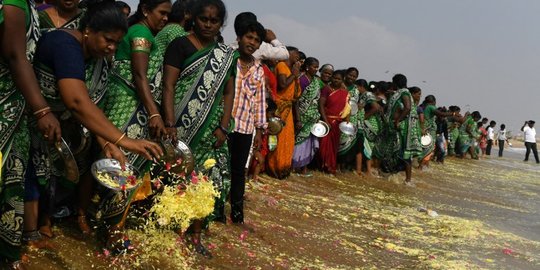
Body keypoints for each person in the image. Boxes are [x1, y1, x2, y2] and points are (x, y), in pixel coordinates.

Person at [25, 0, 162, 250]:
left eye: (115, 44)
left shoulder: (96, 57)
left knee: (52, 176)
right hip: (30, 116)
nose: (111, 48)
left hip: (58, 124)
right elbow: (77, 101)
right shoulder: (66, 45)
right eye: (107, 40)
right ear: (88, 30)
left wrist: (107, 142)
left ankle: (37, 229)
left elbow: (90, 104)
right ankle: (27, 235)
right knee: (31, 177)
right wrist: (124, 140)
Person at [162, 0, 235, 256]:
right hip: (179, 128)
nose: (208, 24)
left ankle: (195, 234)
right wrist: (169, 123)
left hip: (210, 131)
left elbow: (228, 92)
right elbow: (168, 85)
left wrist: (223, 126)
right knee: (174, 178)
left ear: (220, 24)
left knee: (203, 183)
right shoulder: (180, 45)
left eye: (214, 21)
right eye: (204, 19)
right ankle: (171, 229)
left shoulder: (226, 55)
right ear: (194, 18)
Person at [1, 0, 62, 266]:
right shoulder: (13, 3)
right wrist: (42, 111)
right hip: (5, 103)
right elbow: (15, 55)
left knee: (11, 180)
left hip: (15, 104)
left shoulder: (27, 6)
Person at [102, 0, 171, 170]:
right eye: (162, 13)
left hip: (127, 102)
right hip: (126, 105)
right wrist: (154, 114)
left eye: (168, 14)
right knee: (118, 160)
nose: (165, 18)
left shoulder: (140, 31)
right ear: (146, 10)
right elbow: (140, 75)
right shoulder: (141, 33)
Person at [228, 19, 267, 225]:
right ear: (240, 38)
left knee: (238, 171)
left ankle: (236, 214)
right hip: (223, 124)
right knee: (217, 167)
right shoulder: (227, 60)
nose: (251, 42)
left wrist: (259, 132)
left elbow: (260, 102)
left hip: (245, 127)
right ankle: (214, 212)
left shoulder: (259, 70)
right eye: (249, 37)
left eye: (256, 40)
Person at [266, 46, 301, 179]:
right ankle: (275, 167)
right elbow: (282, 84)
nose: (297, 57)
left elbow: (296, 95)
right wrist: (294, 74)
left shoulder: (293, 70)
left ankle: (284, 168)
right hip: (279, 109)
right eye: (295, 54)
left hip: (288, 109)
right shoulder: (281, 65)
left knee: (288, 139)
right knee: (277, 138)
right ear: (288, 54)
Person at [380, 74, 422, 184]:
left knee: (405, 153)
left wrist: (398, 120)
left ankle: (408, 180)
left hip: (403, 128)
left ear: (395, 82)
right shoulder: (401, 93)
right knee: (397, 152)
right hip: (397, 127)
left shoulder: (404, 93)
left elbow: (407, 107)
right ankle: (394, 175)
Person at [292, 57, 322, 177]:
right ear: (308, 67)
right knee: (298, 142)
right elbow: (296, 100)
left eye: (317, 67)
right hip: (301, 116)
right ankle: (294, 167)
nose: (316, 69)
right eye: (314, 67)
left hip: (312, 118)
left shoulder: (316, 81)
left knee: (308, 143)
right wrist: (298, 119)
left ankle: (304, 168)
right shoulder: (302, 80)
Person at [318, 70, 350, 175]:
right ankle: (322, 165)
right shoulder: (326, 89)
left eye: (339, 79)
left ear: (342, 80)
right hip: (326, 121)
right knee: (323, 145)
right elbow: (321, 105)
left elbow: (347, 109)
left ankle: (330, 167)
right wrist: (326, 121)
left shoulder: (345, 93)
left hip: (338, 123)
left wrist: (346, 122)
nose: (336, 80)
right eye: (335, 78)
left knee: (333, 146)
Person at [357, 79, 381, 177]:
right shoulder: (370, 95)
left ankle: (368, 171)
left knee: (367, 146)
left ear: (360, 86)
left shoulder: (367, 95)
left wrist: (364, 117)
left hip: (369, 123)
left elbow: (375, 107)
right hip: (372, 122)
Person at [337, 67, 360, 170]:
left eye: (354, 76)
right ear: (346, 74)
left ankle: (342, 167)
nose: (352, 77)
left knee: (347, 144)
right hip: (337, 116)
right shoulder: (339, 84)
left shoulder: (356, 90)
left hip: (350, 119)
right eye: (350, 75)